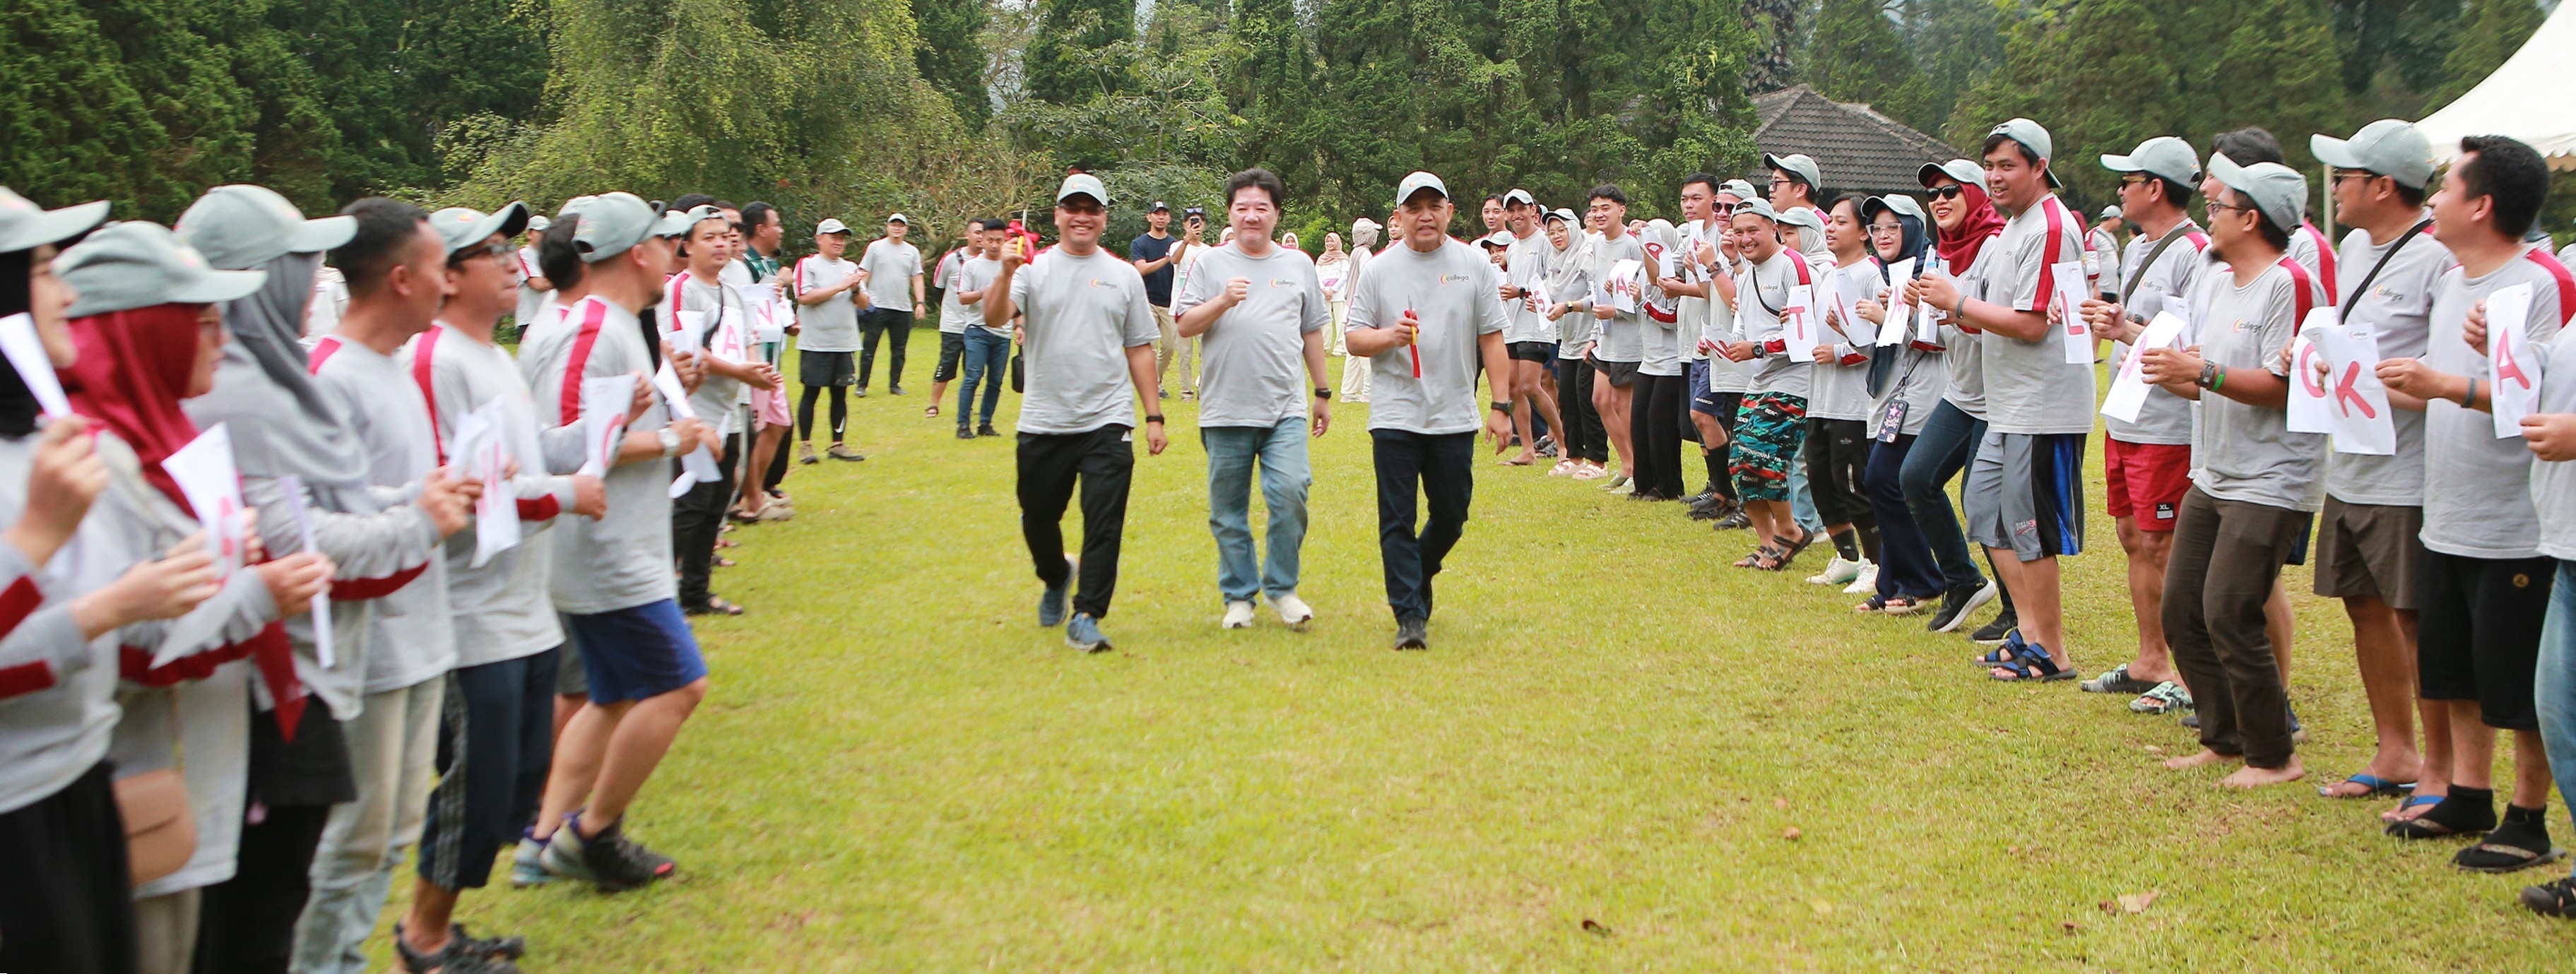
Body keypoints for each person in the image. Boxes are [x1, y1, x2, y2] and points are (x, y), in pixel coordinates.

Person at [62, 220, 332, 974]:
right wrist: (255, 590)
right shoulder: (101, 453)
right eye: (203, 320)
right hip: (139, 787)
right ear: (147, 332)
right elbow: (125, 639)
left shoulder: (165, 431)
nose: (222, 336)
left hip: (186, 777)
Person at [0, 192, 246, 974]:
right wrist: (92, 590)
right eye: (44, 270)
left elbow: (127, 624)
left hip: (80, 779)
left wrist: (195, 590)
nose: (67, 294)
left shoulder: (54, 442)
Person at [397, 203, 609, 974]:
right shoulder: (437, 360)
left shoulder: (493, 353)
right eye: (493, 250)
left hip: (523, 606)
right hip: (471, 611)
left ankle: (442, 929)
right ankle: (420, 940)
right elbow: (464, 490)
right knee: (473, 787)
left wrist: (595, 434)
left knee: (512, 785)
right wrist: (560, 493)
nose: (516, 260)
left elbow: (523, 457)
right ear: (448, 276)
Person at [293, 197, 488, 974]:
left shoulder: (396, 367)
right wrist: (420, 513)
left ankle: (346, 957)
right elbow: (309, 531)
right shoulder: (329, 377)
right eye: (442, 266)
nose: (450, 282)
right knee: (353, 836)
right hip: (364, 651)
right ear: (403, 278)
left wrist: (434, 497)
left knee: (394, 829)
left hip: (420, 637)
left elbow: (396, 496)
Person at [2375, 135, 2568, 868]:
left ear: (2481, 204)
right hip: (2446, 506)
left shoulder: (2539, 282)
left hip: (2513, 518)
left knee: (2516, 679)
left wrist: (2443, 385)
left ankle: (2527, 816)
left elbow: (2540, 397)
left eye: (2448, 186)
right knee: (2451, 664)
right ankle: (2467, 790)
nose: (2434, 199)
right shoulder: (2454, 280)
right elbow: (2436, 384)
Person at [523, 192, 719, 891]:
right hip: (603, 550)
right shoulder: (588, 331)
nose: (677, 251)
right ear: (638, 253)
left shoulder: (615, 325)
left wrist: (668, 407)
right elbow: (552, 447)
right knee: (678, 686)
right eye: (666, 242)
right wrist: (673, 437)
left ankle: (545, 838)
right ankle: (589, 832)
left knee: (608, 697)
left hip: (617, 543)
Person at [2134, 156, 2324, 788]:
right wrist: (2185, 372)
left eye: (2220, 207)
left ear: (2252, 217)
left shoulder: (2289, 283)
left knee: (2230, 607)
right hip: (2215, 473)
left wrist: (2204, 373)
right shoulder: (2217, 281)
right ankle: (2224, 738)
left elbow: (2286, 387)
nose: (2208, 213)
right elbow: (2210, 377)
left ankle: (2274, 755)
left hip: (2272, 479)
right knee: (2184, 606)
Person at [2302, 119, 2454, 808]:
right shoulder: (2355, 246)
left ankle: (2441, 768)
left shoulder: (2438, 256)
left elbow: (2446, 377)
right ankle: (2394, 749)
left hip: (2407, 470)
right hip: (2352, 461)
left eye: (2343, 177)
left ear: (2383, 185)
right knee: (2362, 604)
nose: (2333, 189)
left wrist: (2365, 379)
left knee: (2415, 616)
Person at [1919, 119, 2093, 682]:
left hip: (2041, 404)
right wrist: (1953, 306)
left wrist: (1959, 304)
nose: (1995, 176)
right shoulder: (2017, 227)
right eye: (1989, 166)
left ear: (2040, 168)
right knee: (1989, 509)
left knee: (2031, 528)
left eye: (2007, 166)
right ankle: (2029, 633)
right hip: (2008, 402)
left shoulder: (2048, 226)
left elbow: (2034, 325)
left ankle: (2052, 649)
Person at [986, 173, 1166, 653]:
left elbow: (1140, 348)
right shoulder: (1030, 269)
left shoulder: (1124, 275)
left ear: (1104, 218)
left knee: (1103, 520)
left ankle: (1087, 614)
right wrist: (1004, 272)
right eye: (1073, 208)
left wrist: (1153, 416)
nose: (1082, 217)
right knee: (1037, 517)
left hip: (1107, 420)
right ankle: (1056, 573)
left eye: (1092, 209)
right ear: (1058, 215)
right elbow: (993, 318)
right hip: (1045, 418)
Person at [1345, 172, 1515, 650]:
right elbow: (1354, 338)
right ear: (1398, 217)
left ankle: (1418, 572)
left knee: (1452, 514)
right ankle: (1410, 616)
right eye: (1413, 208)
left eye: (1433, 206)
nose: (1425, 216)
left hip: (1454, 413)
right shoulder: (1380, 269)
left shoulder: (1473, 264)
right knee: (1396, 518)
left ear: (1449, 211)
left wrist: (1501, 405)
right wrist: (1390, 336)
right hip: (1395, 414)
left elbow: (1492, 338)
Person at [2079, 137, 2210, 715]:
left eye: (2128, 180)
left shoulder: (2196, 254)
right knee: (2134, 536)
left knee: (2166, 546)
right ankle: (2150, 658)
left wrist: (2127, 332)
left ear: (2155, 188)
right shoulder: (2136, 249)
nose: (2120, 191)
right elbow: (2146, 326)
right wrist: (2118, 320)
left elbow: (2190, 348)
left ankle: (2189, 672)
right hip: (2129, 412)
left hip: (2168, 424)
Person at [1174, 168, 1330, 631]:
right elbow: (1184, 324)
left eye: (1262, 207)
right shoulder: (1210, 264)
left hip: (1284, 407)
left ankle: (1282, 588)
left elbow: (1312, 330)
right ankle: (1239, 596)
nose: (1251, 215)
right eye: (1242, 207)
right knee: (1228, 511)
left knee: (1290, 492)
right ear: (1230, 213)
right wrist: (1223, 301)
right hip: (1225, 408)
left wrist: (1322, 391)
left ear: (1277, 214)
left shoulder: (1298, 264)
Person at [1899, 160, 2011, 639]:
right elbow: (1945, 331)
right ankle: (1964, 580)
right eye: (1932, 194)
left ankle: (2016, 606)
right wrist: (1916, 311)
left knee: (1981, 499)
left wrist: (1952, 306)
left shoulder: (1996, 247)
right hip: (1963, 391)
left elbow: (2008, 324)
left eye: (1950, 191)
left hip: (2002, 394)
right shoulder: (1943, 252)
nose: (1939, 200)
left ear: (1975, 193)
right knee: (1915, 477)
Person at [663, 206, 783, 617]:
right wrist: (743, 372)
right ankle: (662, 595)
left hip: (729, 410)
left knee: (716, 502)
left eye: (724, 234)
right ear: (687, 245)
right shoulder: (683, 288)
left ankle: (696, 594)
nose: (720, 243)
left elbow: (746, 339)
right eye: (708, 237)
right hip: (693, 411)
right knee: (692, 504)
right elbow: (684, 350)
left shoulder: (731, 290)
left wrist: (756, 370)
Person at [1849, 194, 1946, 614]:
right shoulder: (1889, 275)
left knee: (1885, 481)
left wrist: (1892, 317)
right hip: (1889, 396)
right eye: (1877, 229)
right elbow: (1882, 347)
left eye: (1894, 227)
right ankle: (1892, 582)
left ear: (1913, 230)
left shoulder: (1929, 274)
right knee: (1882, 485)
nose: (1884, 236)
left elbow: (1936, 342)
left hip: (1921, 396)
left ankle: (1924, 579)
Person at [1712, 199, 1819, 571]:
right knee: (1740, 461)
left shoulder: (1794, 266)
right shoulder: (1745, 274)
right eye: (1738, 232)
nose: (1745, 239)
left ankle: (1790, 531)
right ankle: (1767, 540)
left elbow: (1808, 332)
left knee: (1765, 455)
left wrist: (1757, 347)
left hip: (1797, 377)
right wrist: (1722, 343)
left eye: (1752, 230)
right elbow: (1743, 325)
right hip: (1761, 378)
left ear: (1773, 228)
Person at [1802, 194, 1886, 590]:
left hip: (1854, 401)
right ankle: (1847, 555)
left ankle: (1876, 562)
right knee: (1821, 478)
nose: (1831, 228)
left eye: (1841, 222)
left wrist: (1837, 350)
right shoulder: (1828, 276)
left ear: (1864, 233)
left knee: (1853, 482)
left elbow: (1877, 341)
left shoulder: (1871, 275)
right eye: (1830, 222)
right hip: (1821, 396)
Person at [1662, 174, 1742, 520]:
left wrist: (1696, 276)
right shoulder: (1694, 237)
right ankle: (1721, 490)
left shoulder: (1733, 244)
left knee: (1707, 416)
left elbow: (1724, 293)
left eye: (1728, 206)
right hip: (1703, 340)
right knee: (1698, 418)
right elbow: (1693, 286)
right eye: (1685, 199)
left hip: (1730, 344)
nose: (1721, 212)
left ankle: (1731, 494)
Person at [1578, 186, 1644, 491]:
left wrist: (1615, 312)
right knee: (1600, 399)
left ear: (1622, 210)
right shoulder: (1595, 245)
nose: (1599, 214)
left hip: (1630, 339)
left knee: (1623, 404)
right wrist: (1593, 336)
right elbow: (1597, 294)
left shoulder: (1632, 246)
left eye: (1606, 207)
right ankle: (1627, 464)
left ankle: (1639, 471)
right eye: (1594, 209)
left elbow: (1639, 299)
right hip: (1605, 338)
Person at [1496, 190, 1566, 468]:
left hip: (1536, 325)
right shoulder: (1512, 248)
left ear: (1533, 210)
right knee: (1514, 387)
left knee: (1531, 385)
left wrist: (1522, 292)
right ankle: (1527, 449)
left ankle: (1562, 443)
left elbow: (1553, 283)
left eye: (1520, 209)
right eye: (1510, 211)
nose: (1516, 215)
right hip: (1513, 324)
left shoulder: (1545, 243)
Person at [793, 219, 868, 463]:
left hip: (845, 341)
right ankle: (805, 445)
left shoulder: (851, 267)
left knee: (840, 394)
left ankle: (838, 443)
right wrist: (841, 286)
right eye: (833, 236)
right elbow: (805, 297)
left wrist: (855, 289)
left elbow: (866, 305)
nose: (839, 242)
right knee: (811, 392)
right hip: (816, 341)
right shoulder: (808, 264)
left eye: (842, 237)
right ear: (819, 239)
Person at [1543, 208, 1607, 480]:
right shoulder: (1557, 262)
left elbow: (1599, 297)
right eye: (1552, 232)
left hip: (1590, 339)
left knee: (1586, 400)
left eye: (1562, 230)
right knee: (1567, 399)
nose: (1557, 236)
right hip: (1567, 340)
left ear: (1573, 228)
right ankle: (1574, 456)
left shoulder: (1587, 255)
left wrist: (1568, 307)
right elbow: (1550, 293)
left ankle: (1598, 461)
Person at [952, 220, 1010, 437]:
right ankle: (963, 425)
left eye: (999, 241)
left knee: (995, 381)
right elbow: (963, 297)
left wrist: (1020, 325)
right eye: (990, 240)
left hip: (1003, 333)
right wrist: (983, 293)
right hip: (977, 329)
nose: (995, 245)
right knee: (973, 377)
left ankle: (986, 424)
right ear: (982, 240)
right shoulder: (971, 266)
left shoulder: (1011, 265)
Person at [856, 213, 924, 396]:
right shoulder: (875, 247)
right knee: (869, 347)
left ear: (906, 229)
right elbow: (864, 273)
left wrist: (920, 303)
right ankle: (862, 385)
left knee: (899, 350)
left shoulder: (912, 251)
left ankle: (895, 385)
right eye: (893, 225)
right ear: (887, 227)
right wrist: (862, 297)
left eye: (901, 226)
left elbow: (917, 278)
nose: (897, 228)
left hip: (901, 307)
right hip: (877, 305)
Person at [928, 222, 989, 417]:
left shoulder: (990, 261)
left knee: (973, 369)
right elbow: (938, 288)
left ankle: (967, 407)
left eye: (984, 234)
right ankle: (933, 405)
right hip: (953, 324)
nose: (980, 237)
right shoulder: (951, 260)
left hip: (977, 323)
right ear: (967, 235)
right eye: (977, 233)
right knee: (946, 364)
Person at [1130, 203, 1184, 399]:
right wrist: (1166, 259)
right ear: (1149, 217)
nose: (1161, 217)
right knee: (1150, 348)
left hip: (1169, 303)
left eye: (1164, 214)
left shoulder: (1176, 245)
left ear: (1169, 219)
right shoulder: (1140, 244)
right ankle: (1154, 386)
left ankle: (1156, 379)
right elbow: (1141, 269)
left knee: (1169, 347)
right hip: (1147, 302)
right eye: (1157, 214)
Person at [1339, 218, 1381, 402]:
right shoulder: (1365, 255)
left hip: (1350, 308)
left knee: (1352, 354)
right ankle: (1368, 391)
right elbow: (1368, 281)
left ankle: (1348, 391)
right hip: (1360, 309)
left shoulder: (1355, 252)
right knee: (1366, 352)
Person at [1764, 153, 1833, 263]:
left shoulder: (1827, 227)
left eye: (1777, 182)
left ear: (1801, 189)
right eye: (1771, 183)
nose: (1771, 189)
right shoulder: (1771, 222)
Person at [514, 215, 553, 333]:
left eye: (546, 232)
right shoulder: (523, 254)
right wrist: (565, 280)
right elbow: (538, 285)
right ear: (529, 234)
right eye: (540, 231)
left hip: (551, 319)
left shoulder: (551, 254)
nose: (544, 235)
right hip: (529, 320)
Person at [1318, 232, 1352, 352]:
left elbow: (1344, 276)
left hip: (1338, 294)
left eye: (1332, 241)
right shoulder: (1321, 259)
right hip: (1324, 294)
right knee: (1325, 322)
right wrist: (1323, 290)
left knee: (1340, 321)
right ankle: (1324, 346)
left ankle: (1340, 347)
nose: (1329, 244)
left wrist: (1333, 290)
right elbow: (1317, 275)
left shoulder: (1343, 259)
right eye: (1327, 241)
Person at [2089, 206, 2123, 301]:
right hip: (2101, 289)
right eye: (2120, 219)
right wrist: (2095, 287)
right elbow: (2088, 262)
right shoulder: (2094, 235)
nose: (2121, 222)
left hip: (2112, 289)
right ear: (2113, 218)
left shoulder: (2111, 236)